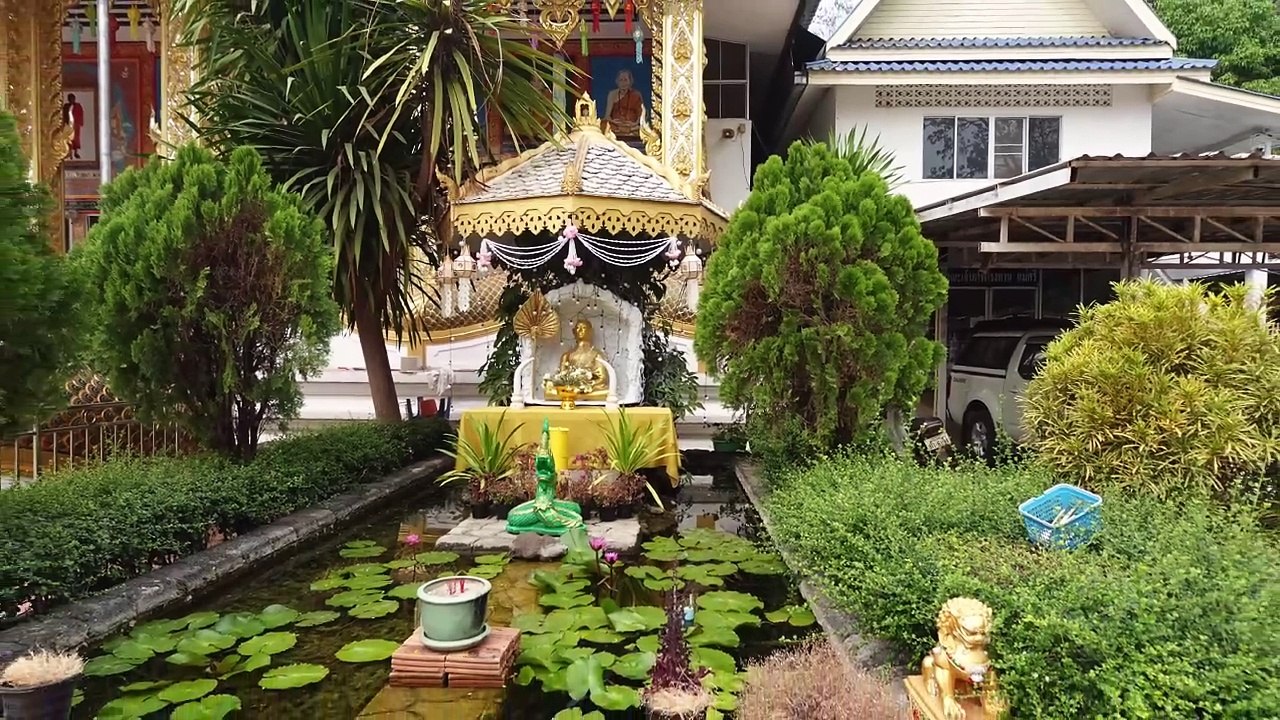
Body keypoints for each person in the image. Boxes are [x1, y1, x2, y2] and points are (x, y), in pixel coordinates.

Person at [604, 69, 644, 137]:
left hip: (632, 127)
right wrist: (614, 122)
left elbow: (641, 117)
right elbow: (607, 116)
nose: (623, 83)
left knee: (641, 128)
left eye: (625, 80)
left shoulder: (636, 95)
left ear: (630, 82)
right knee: (605, 125)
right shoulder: (612, 94)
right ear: (617, 82)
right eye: (621, 80)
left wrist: (634, 124)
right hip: (616, 125)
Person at [63, 94, 84, 159]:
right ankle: (70, 153)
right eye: (70, 99)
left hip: (76, 124)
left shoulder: (78, 106)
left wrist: (79, 123)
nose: (71, 100)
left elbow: (80, 114)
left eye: (73, 98)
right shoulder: (66, 106)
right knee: (69, 138)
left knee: (76, 139)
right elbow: (64, 114)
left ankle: (76, 152)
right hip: (69, 124)